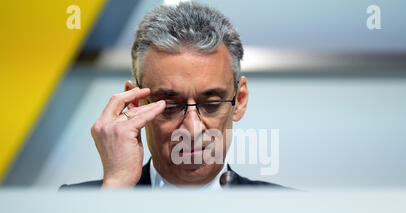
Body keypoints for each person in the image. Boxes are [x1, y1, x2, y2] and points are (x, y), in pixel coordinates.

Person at [61, 2, 285, 190]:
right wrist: (117, 187)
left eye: (211, 103)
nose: (192, 130)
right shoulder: (83, 204)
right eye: (169, 105)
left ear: (239, 100)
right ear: (136, 104)